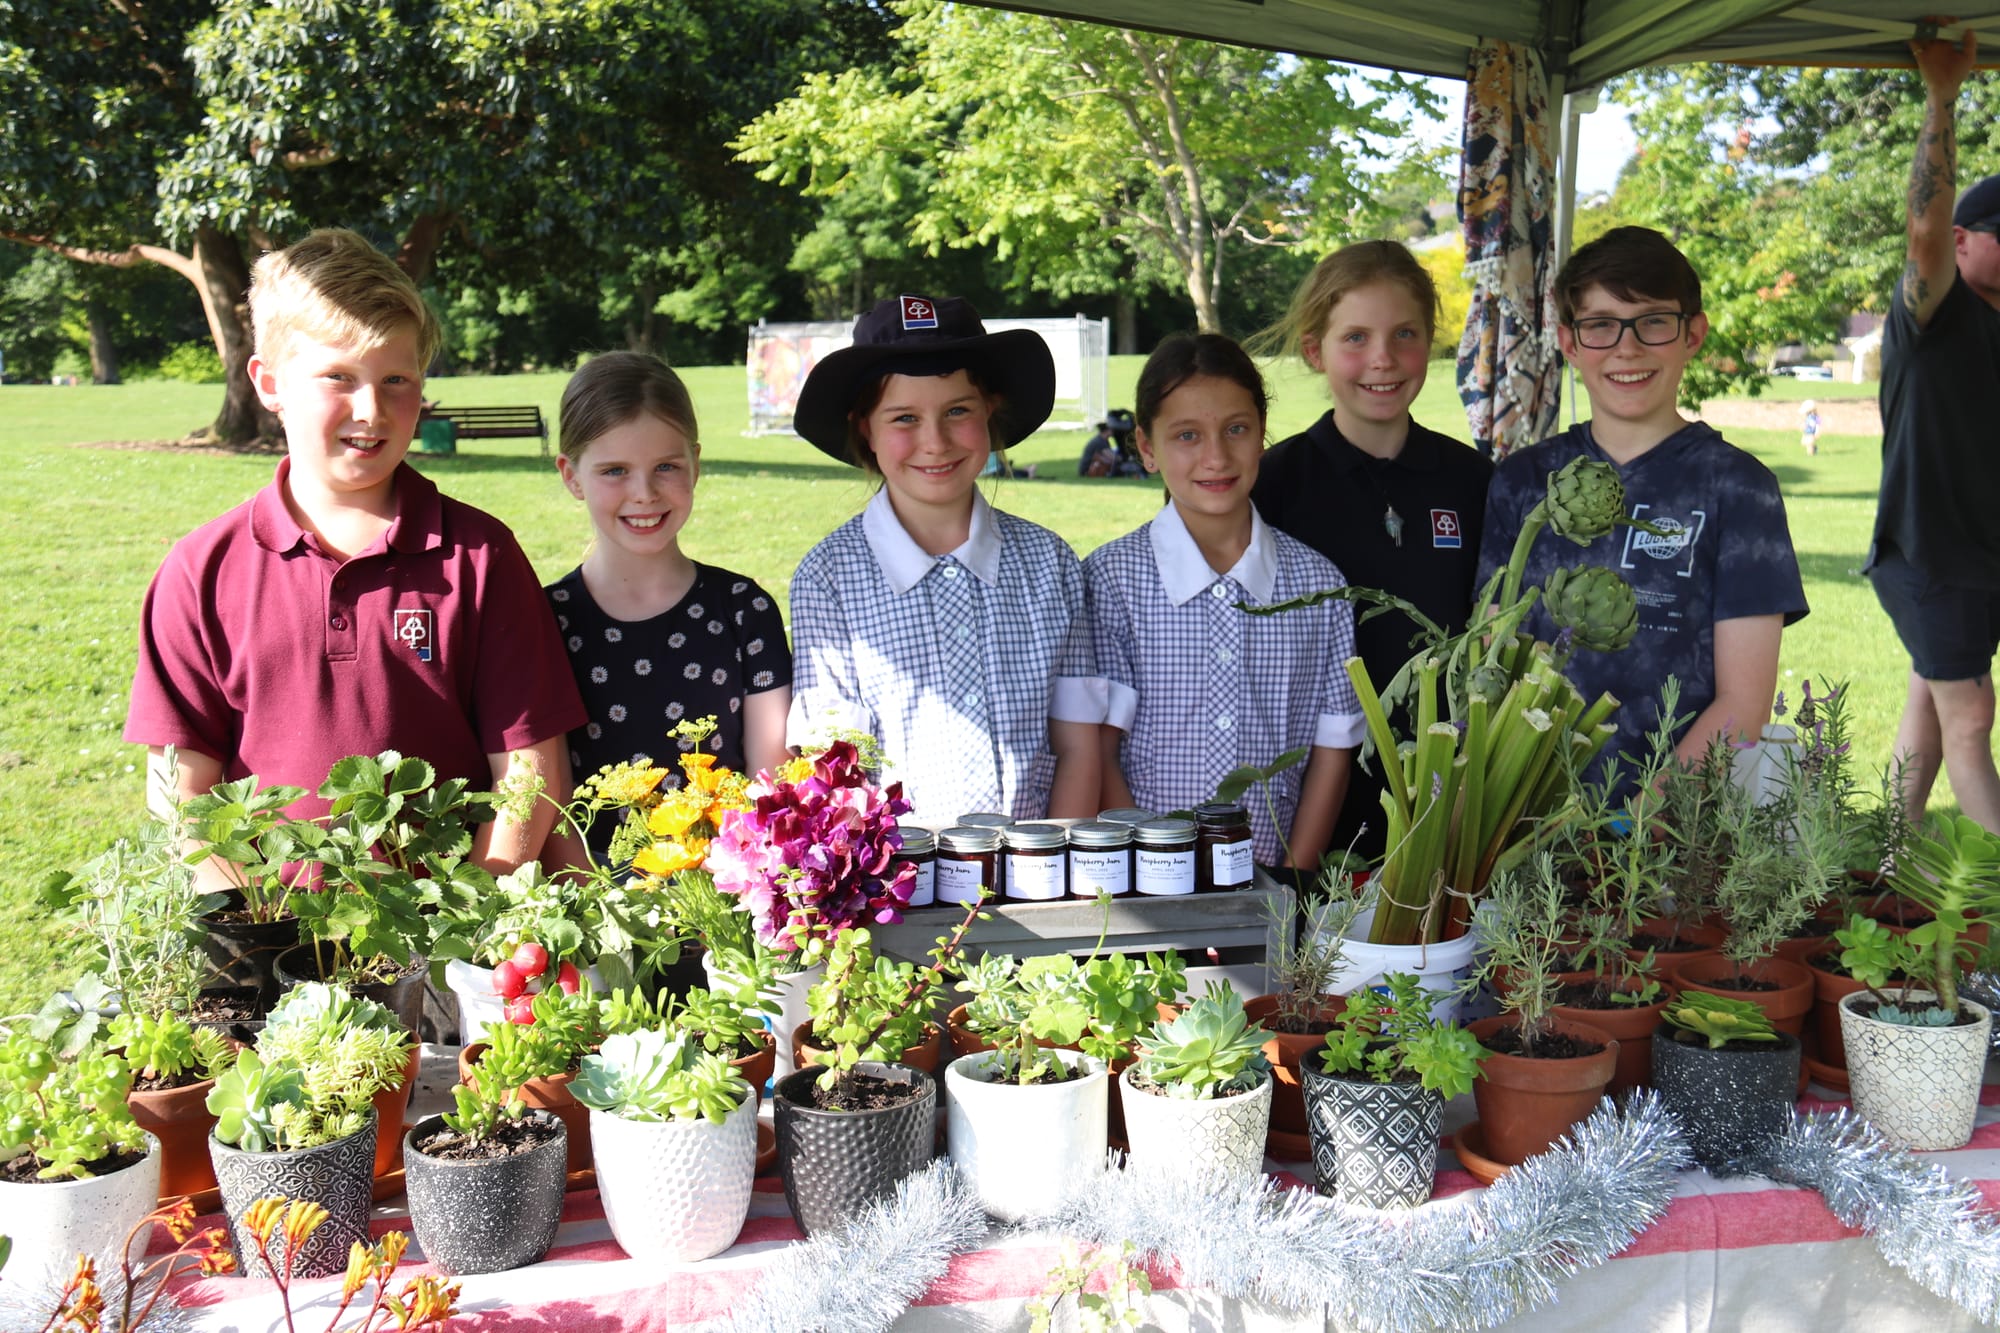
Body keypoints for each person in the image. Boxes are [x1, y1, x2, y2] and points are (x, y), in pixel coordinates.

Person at [124, 228, 584, 872]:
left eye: (396, 379)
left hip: (450, 941)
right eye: (338, 377)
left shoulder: (480, 558)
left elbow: (531, 769)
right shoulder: (202, 572)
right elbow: (182, 793)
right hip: (269, 940)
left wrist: (473, 920)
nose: (371, 409)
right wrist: (249, 929)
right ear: (269, 383)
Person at [1476, 226, 1807, 795]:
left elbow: (1744, 701)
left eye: (1653, 321)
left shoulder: (1740, 488)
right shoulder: (1521, 483)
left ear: (1693, 334)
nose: (1627, 348)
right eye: (1600, 325)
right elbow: (1490, 664)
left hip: (1678, 826)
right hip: (1523, 817)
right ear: (1569, 341)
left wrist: (1643, 823)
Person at [786, 294, 1100, 822]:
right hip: (899, 891)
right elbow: (834, 767)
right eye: (904, 418)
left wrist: (1054, 874)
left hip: (1041, 879)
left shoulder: (1051, 563)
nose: (935, 441)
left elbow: (1078, 745)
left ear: (990, 411)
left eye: (958, 411)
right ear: (865, 427)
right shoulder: (828, 578)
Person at [1250, 239, 1494, 860]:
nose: (1383, 359)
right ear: (1314, 350)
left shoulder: (1472, 480)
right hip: (1305, 801)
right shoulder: (1270, 485)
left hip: (1446, 799)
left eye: (1404, 334)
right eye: (1355, 338)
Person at [1084, 333, 1363, 871]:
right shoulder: (1110, 580)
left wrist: (1290, 883)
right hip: (1146, 886)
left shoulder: (1319, 586)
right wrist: (1155, 873)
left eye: (1236, 429)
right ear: (1146, 448)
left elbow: (1332, 752)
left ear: (1262, 434)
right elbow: (1098, 750)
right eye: (1187, 435)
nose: (1216, 456)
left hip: (1272, 882)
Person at [546, 352, 792, 863]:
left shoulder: (745, 612)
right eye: (615, 470)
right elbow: (550, 799)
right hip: (591, 912)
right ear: (571, 476)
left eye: (666, 467)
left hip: (725, 903)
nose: (644, 493)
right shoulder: (546, 621)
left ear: (695, 464)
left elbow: (769, 778)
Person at [1868, 33, 2000, 830]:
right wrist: (1942, 99)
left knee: (1930, 697)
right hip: (1930, 552)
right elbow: (1922, 224)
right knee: (1971, 717)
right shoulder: (1933, 312)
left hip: (1979, 556)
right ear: (1961, 240)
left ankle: (1889, 860)